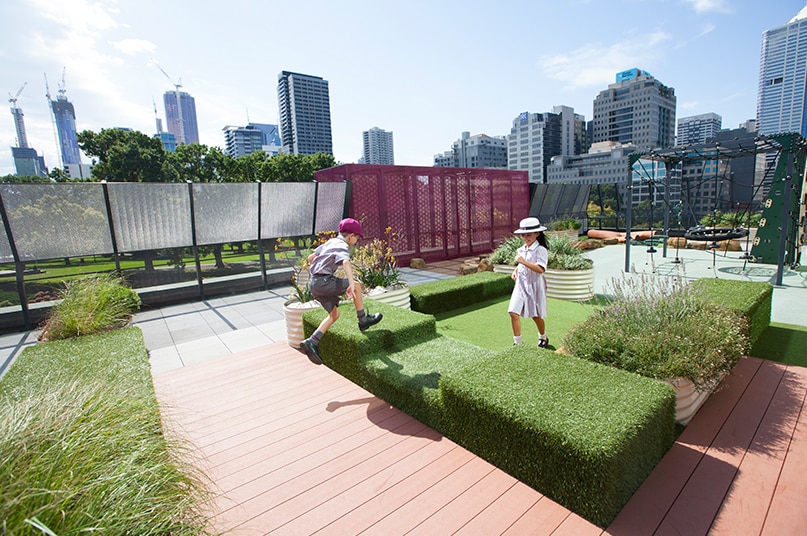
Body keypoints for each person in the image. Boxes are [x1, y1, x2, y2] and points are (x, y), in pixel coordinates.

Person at [298, 218, 383, 365]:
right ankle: (363, 320)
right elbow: (345, 262)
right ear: (351, 236)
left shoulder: (330, 242)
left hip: (314, 284)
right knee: (356, 285)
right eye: (356, 238)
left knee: (334, 315)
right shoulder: (342, 246)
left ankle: (312, 341)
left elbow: (312, 257)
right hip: (323, 282)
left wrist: (322, 267)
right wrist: (351, 283)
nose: (356, 242)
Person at [508, 217, 550, 348]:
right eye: (523, 235)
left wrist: (522, 262)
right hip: (520, 285)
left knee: (535, 315)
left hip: (534, 286)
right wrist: (516, 270)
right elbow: (522, 264)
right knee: (513, 312)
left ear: (537, 234)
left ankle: (543, 337)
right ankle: (517, 343)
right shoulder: (522, 249)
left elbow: (540, 269)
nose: (526, 237)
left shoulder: (541, 250)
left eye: (528, 235)